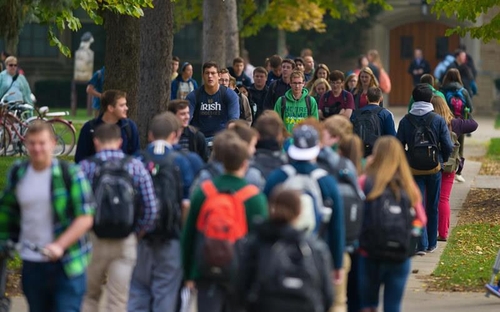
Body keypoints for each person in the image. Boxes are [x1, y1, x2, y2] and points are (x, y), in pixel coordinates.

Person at [0, 121, 95, 312]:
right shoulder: (19, 173)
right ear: (26, 144)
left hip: (67, 264)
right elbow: (7, 214)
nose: (37, 148)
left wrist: (59, 246)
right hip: (32, 263)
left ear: (53, 143)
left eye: (42, 143)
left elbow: (85, 217)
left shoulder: (71, 174)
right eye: (32, 143)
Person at [181, 131, 269, 312]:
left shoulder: (204, 192)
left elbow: (189, 235)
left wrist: (188, 274)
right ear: (245, 163)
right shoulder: (254, 198)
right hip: (240, 273)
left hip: (206, 269)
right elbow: (263, 242)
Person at [79, 123, 158, 312]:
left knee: (89, 296)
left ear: (95, 141)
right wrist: (135, 232)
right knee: (118, 300)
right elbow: (151, 208)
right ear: (120, 142)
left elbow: (75, 207)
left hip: (93, 240)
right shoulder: (135, 166)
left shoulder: (85, 167)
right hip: (125, 240)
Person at [128, 113, 198, 312]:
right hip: (171, 238)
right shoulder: (183, 161)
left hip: (141, 239)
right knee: (165, 293)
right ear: (175, 135)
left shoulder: (137, 159)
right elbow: (186, 205)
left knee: (138, 291)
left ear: (150, 135)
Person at [264, 125, 345, 292]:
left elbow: (264, 216)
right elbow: (337, 226)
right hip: (316, 255)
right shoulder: (327, 182)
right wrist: (337, 264)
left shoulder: (278, 177)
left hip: (277, 255)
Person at [358, 136, 427, 312]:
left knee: (368, 305)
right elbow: (421, 219)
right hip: (399, 253)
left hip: (369, 253)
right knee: (393, 306)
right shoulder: (408, 185)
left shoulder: (366, 182)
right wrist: (411, 235)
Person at [237, 188, 333, 312]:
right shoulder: (315, 248)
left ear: (271, 207)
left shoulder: (257, 243)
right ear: (299, 212)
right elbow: (328, 296)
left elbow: (241, 288)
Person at [397, 83, 453, 255]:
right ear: (430, 99)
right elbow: (448, 145)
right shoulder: (437, 120)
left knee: (418, 204)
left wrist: (408, 160)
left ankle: (421, 244)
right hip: (434, 168)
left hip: (414, 169)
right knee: (433, 205)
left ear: (414, 99)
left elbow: (399, 145)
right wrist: (441, 160)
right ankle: (432, 243)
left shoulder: (406, 120)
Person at [430, 96, 477, 241]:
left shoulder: (429, 122)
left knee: (430, 199)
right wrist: (466, 113)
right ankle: (443, 233)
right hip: (449, 166)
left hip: (431, 164)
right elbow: (474, 125)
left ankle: (427, 234)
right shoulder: (455, 123)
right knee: (444, 199)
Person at [75, 89, 140, 163]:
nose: (126, 108)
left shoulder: (129, 127)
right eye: (122, 105)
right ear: (110, 108)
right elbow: (80, 159)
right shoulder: (90, 128)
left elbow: (136, 156)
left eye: (125, 104)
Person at [186, 61, 240, 139]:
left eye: (213, 73)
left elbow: (233, 119)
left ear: (219, 76)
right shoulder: (193, 96)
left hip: (221, 139)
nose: (210, 76)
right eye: (207, 73)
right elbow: (186, 117)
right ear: (203, 75)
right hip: (199, 139)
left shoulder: (230, 95)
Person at [441, 68, 473, 183]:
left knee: (446, 145)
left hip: (447, 122)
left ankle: (447, 170)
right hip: (460, 122)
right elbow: (470, 107)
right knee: (460, 147)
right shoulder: (463, 91)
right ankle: (458, 173)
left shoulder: (443, 90)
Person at [351, 87, 396, 156]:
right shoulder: (385, 114)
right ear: (381, 98)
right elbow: (392, 137)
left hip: (359, 151)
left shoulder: (356, 113)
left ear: (366, 98)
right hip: (378, 152)